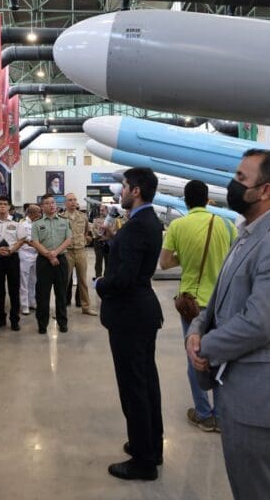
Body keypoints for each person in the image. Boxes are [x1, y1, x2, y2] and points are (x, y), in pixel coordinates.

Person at [186, 149, 270, 500]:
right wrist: (198, 327)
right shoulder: (247, 233)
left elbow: (258, 323)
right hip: (239, 392)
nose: (233, 183)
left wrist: (204, 348)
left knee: (264, 492)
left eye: (242, 178)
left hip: (264, 399)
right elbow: (219, 298)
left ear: (266, 190)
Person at [94, 167, 165, 481]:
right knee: (146, 381)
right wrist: (111, 241)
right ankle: (149, 445)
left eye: (123, 186)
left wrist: (99, 284)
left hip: (130, 313)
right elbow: (130, 261)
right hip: (140, 312)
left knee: (134, 387)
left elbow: (123, 278)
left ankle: (143, 461)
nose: (120, 191)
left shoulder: (138, 226)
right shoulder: (143, 222)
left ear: (135, 190)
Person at [159, 180, 236, 433]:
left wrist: (186, 255)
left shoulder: (178, 226)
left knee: (195, 356)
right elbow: (236, 259)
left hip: (192, 304)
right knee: (223, 356)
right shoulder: (226, 224)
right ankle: (224, 414)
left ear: (185, 200)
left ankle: (204, 413)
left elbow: (166, 264)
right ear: (208, 200)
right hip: (223, 302)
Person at [30, 193, 72, 335]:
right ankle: (42, 324)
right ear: (42, 207)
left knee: (61, 294)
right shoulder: (37, 223)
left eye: (53, 202)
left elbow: (68, 240)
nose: (51, 205)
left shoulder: (64, 221)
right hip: (43, 262)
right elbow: (35, 242)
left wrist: (55, 253)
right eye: (47, 203)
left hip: (61, 260)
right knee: (43, 295)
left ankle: (62, 323)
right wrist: (49, 255)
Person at [0, 196, 23, 331]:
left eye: (5, 204)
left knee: (14, 290)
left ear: (9, 207)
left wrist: (10, 251)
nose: (2, 206)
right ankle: (0, 318)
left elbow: (21, 240)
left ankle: (14, 319)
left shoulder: (16, 223)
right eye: (0, 204)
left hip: (12, 258)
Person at [61, 193, 95, 316]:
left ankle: (86, 307)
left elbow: (87, 232)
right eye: (70, 200)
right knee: (64, 281)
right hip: (67, 252)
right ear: (65, 202)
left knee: (83, 281)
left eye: (75, 200)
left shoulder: (83, 216)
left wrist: (86, 240)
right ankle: (61, 309)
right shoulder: (61, 217)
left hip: (81, 251)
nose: (73, 202)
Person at [16, 204, 41, 316]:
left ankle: (32, 302)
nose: (40, 214)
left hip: (36, 254)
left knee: (34, 280)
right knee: (24, 281)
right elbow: (21, 239)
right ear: (31, 213)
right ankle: (25, 305)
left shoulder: (38, 223)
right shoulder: (22, 224)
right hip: (25, 254)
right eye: (38, 212)